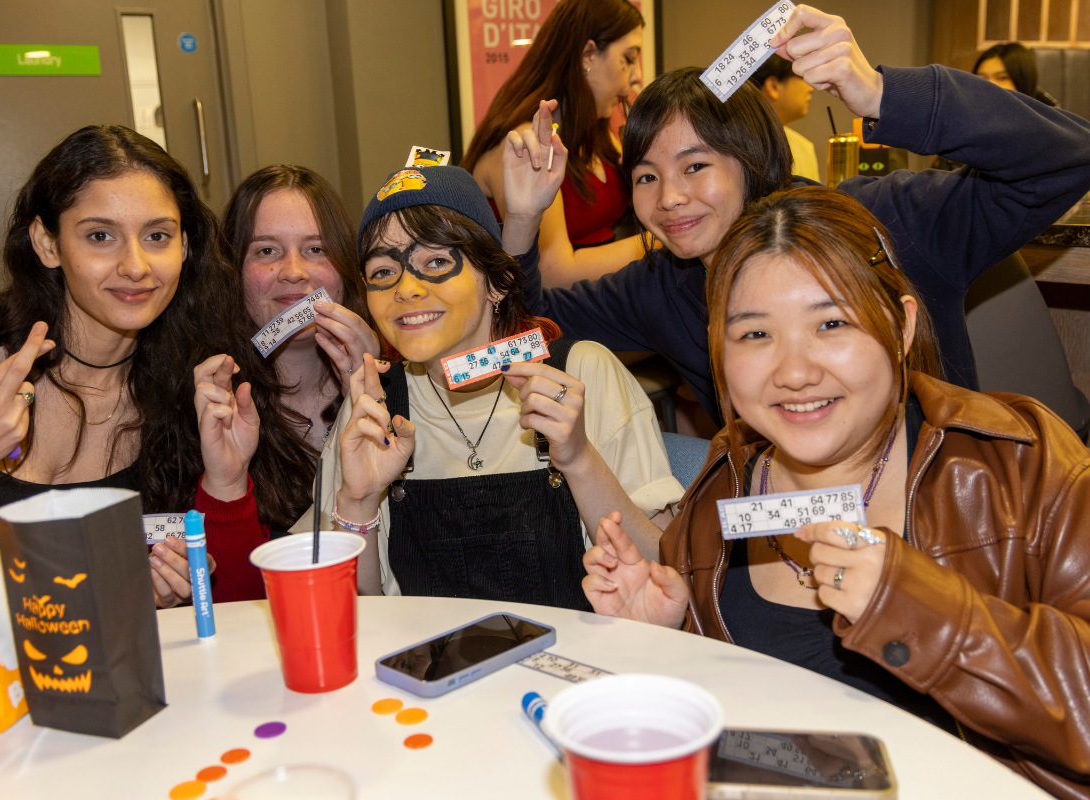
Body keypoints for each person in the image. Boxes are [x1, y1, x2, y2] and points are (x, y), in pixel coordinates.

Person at [582, 187, 1090, 800]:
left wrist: (919, 607)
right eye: (754, 335)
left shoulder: (1014, 462)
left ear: (899, 326)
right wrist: (659, 642)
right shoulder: (725, 485)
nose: (794, 372)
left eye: (831, 323)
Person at [500, 5, 1090, 428]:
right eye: (646, 177)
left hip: (930, 528)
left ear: (751, 159)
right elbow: (524, 339)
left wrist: (880, 94)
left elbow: (1067, 158)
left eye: (696, 165)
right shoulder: (668, 283)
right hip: (784, 538)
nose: (669, 197)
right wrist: (524, 220)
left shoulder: (879, 224)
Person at [0, 125, 274, 608]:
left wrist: (161, 594)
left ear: (186, 247)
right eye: (100, 236)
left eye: (158, 236)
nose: (135, 265)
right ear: (47, 243)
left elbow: (238, 608)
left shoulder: (190, 391)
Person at [276, 160, 683, 604]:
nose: (405, 289)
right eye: (381, 273)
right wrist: (358, 500)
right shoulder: (373, 405)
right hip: (425, 668)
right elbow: (344, 610)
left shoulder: (581, 373)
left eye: (435, 261)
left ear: (498, 282)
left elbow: (666, 574)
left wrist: (581, 459)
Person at [190, 165, 381, 601]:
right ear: (233, 271)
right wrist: (227, 483)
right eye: (266, 251)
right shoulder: (210, 402)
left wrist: (376, 395)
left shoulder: (403, 374)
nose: (294, 272)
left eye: (316, 248)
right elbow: (232, 603)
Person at [461, 0, 646, 288]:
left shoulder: (597, 129)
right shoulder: (524, 144)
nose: (636, 76)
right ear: (588, 55)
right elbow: (553, 273)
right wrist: (664, 238)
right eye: (629, 58)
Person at [747, 54, 819, 181]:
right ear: (773, 86)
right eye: (802, 76)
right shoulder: (733, 144)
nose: (811, 88)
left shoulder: (804, 148)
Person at [974, 42, 1059, 105]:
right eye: (982, 78)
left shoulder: (1048, 123)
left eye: (1001, 78)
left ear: (1023, 82)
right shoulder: (968, 118)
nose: (990, 84)